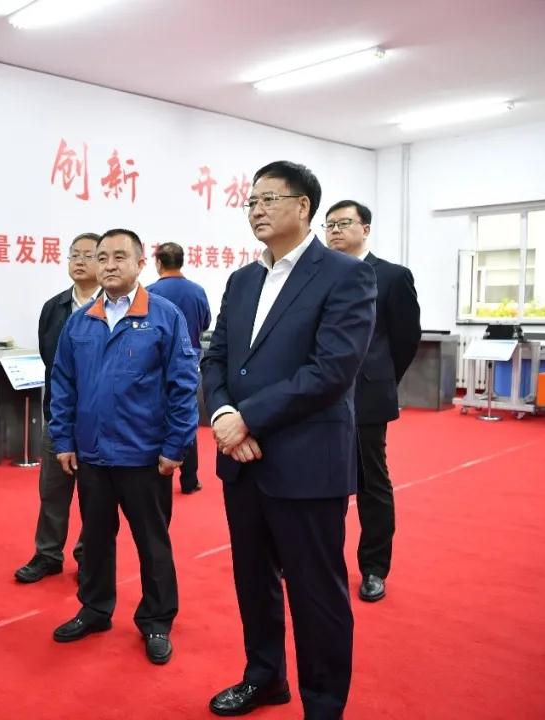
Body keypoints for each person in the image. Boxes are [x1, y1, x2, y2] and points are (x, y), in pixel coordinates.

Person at [201, 162, 376, 719]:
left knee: (315, 593)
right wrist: (224, 413)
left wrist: (246, 419)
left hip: (305, 461)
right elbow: (216, 358)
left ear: (303, 206)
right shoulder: (242, 280)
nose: (256, 210)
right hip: (243, 461)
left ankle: (323, 705)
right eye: (250, 201)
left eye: (268, 199)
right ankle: (265, 676)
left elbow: (332, 370)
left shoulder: (344, 275)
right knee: (253, 580)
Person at [48, 228, 198, 665]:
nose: (109, 265)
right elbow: (63, 384)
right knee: (95, 539)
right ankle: (95, 608)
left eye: (119, 257)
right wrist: (63, 439)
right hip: (92, 453)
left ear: (140, 264)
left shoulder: (164, 316)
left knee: (152, 541)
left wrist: (175, 446)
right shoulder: (82, 320)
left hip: (144, 455)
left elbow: (184, 385)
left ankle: (156, 619)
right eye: (102, 257)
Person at [324, 199, 421, 603]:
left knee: (371, 483)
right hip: (319, 397)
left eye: (343, 223)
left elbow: (406, 338)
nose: (335, 231)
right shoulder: (319, 275)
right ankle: (316, 561)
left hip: (366, 396)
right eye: (329, 225)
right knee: (319, 483)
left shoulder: (393, 276)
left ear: (365, 229)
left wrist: (381, 379)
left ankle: (374, 567)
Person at [14, 232, 101, 584]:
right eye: (74, 254)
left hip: (100, 421)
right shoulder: (54, 307)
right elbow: (51, 361)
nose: (79, 261)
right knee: (52, 491)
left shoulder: (113, 305)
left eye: (88, 255)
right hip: (59, 416)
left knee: (94, 496)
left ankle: (88, 556)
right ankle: (47, 554)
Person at [147, 242, 212, 495]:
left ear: (158, 263)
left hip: (155, 364)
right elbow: (205, 322)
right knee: (185, 416)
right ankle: (189, 479)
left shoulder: (149, 292)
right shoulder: (197, 291)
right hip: (188, 362)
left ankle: (155, 475)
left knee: (154, 417)